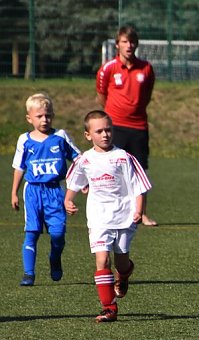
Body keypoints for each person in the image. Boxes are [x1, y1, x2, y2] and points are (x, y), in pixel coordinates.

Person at [65, 111, 151, 323]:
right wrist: (68, 200)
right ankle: (109, 308)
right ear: (88, 135)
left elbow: (140, 187)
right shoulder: (85, 160)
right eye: (99, 131)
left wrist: (139, 210)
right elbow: (73, 182)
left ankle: (124, 274)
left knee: (121, 261)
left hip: (124, 215)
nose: (105, 134)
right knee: (102, 260)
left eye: (108, 130)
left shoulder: (123, 157)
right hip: (98, 217)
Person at [10, 93, 81, 286]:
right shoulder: (24, 140)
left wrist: (84, 182)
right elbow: (19, 167)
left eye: (48, 115)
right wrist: (14, 193)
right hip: (32, 191)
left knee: (58, 234)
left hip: (55, 191)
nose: (44, 119)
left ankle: (55, 258)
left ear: (53, 116)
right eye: (39, 116)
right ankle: (28, 274)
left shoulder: (60, 136)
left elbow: (78, 158)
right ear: (29, 118)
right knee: (31, 232)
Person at [96, 25, 157, 226]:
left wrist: (135, 111)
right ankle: (113, 211)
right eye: (124, 41)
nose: (128, 45)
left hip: (139, 126)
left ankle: (143, 213)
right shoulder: (108, 68)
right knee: (113, 169)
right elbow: (101, 95)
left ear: (136, 44)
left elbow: (146, 95)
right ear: (117, 45)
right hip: (116, 126)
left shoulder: (146, 68)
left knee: (140, 171)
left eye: (132, 42)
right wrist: (114, 115)